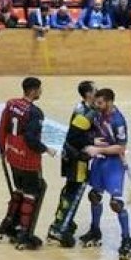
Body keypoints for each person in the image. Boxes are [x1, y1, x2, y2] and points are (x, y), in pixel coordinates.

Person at [0, 77, 55, 250]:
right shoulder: (35, 112)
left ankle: (7, 225)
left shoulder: (11, 104)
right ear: (33, 91)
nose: (41, 92)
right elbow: (31, 139)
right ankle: (24, 233)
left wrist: (2, 149)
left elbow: (2, 127)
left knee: (19, 190)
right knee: (32, 194)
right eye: (39, 89)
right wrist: (46, 149)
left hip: (12, 155)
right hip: (28, 160)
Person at [76, 88, 131, 260]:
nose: (96, 105)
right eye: (96, 102)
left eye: (100, 103)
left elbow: (121, 147)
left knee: (116, 203)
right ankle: (95, 231)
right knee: (94, 196)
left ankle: (126, 240)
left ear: (109, 102)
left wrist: (97, 149)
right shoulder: (98, 114)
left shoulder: (118, 121)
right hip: (100, 160)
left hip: (113, 163)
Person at [47, 81, 96, 248]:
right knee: (74, 194)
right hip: (76, 160)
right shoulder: (85, 113)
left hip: (71, 156)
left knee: (69, 191)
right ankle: (60, 230)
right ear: (88, 94)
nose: (97, 92)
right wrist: (91, 144)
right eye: (95, 90)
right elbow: (74, 138)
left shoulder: (82, 108)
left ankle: (60, 223)